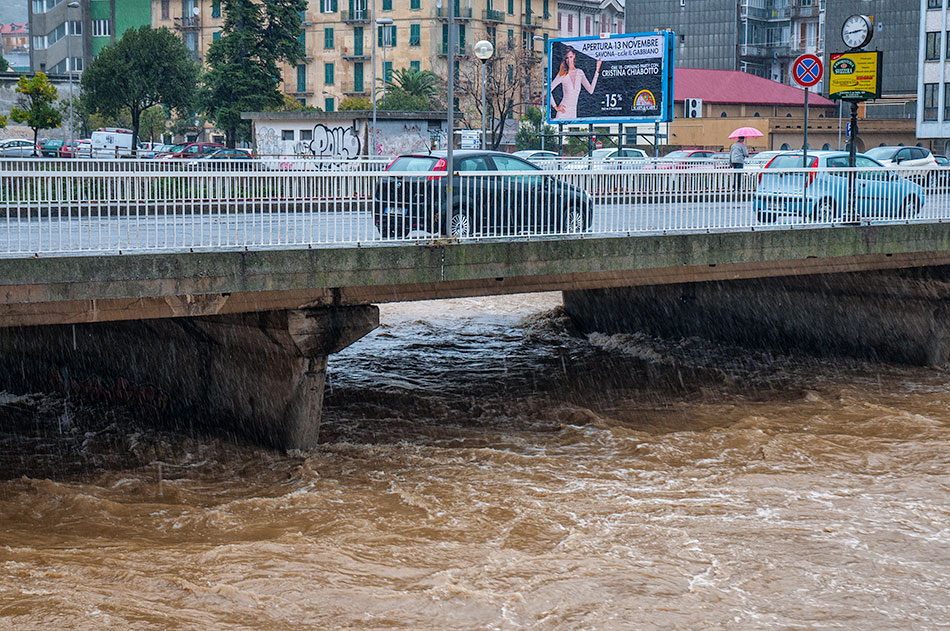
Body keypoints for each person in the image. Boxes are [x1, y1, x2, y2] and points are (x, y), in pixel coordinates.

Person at [550, 46, 602, 120]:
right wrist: (556, 107)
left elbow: (591, 90)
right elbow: (548, 90)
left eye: (570, 57)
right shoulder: (562, 74)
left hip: (573, 113)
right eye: (567, 58)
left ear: (574, 56)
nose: (569, 60)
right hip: (563, 113)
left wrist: (597, 70)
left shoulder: (579, 72)